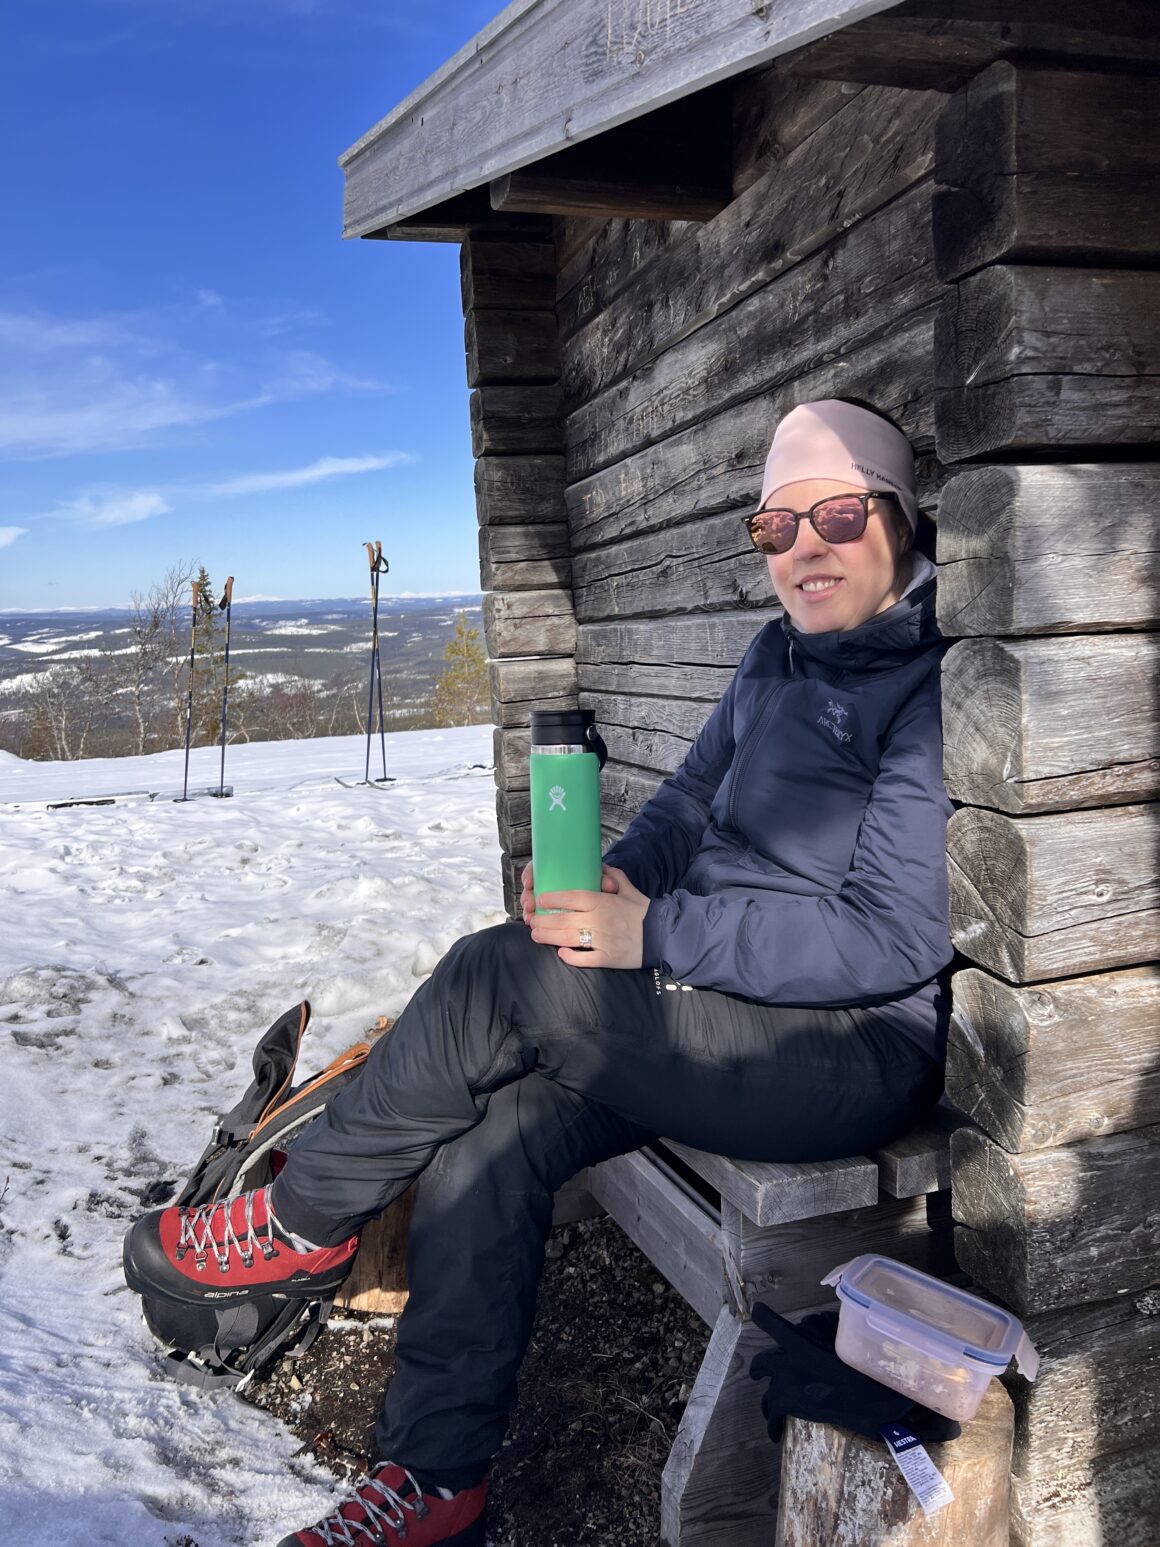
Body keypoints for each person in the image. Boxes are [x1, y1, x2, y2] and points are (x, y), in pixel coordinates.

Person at [125, 398, 954, 1547]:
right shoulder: (774, 658)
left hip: (844, 1048)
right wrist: (610, 886)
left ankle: (303, 1214)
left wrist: (651, 937)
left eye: (837, 513)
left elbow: (888, 941)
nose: (804, 546)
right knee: (492, 1127)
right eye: (775, 525)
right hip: (718, 1010)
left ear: (898, 518)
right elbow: (683, 805)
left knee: (491, 975)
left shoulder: (926, 688)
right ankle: (432, 1481)